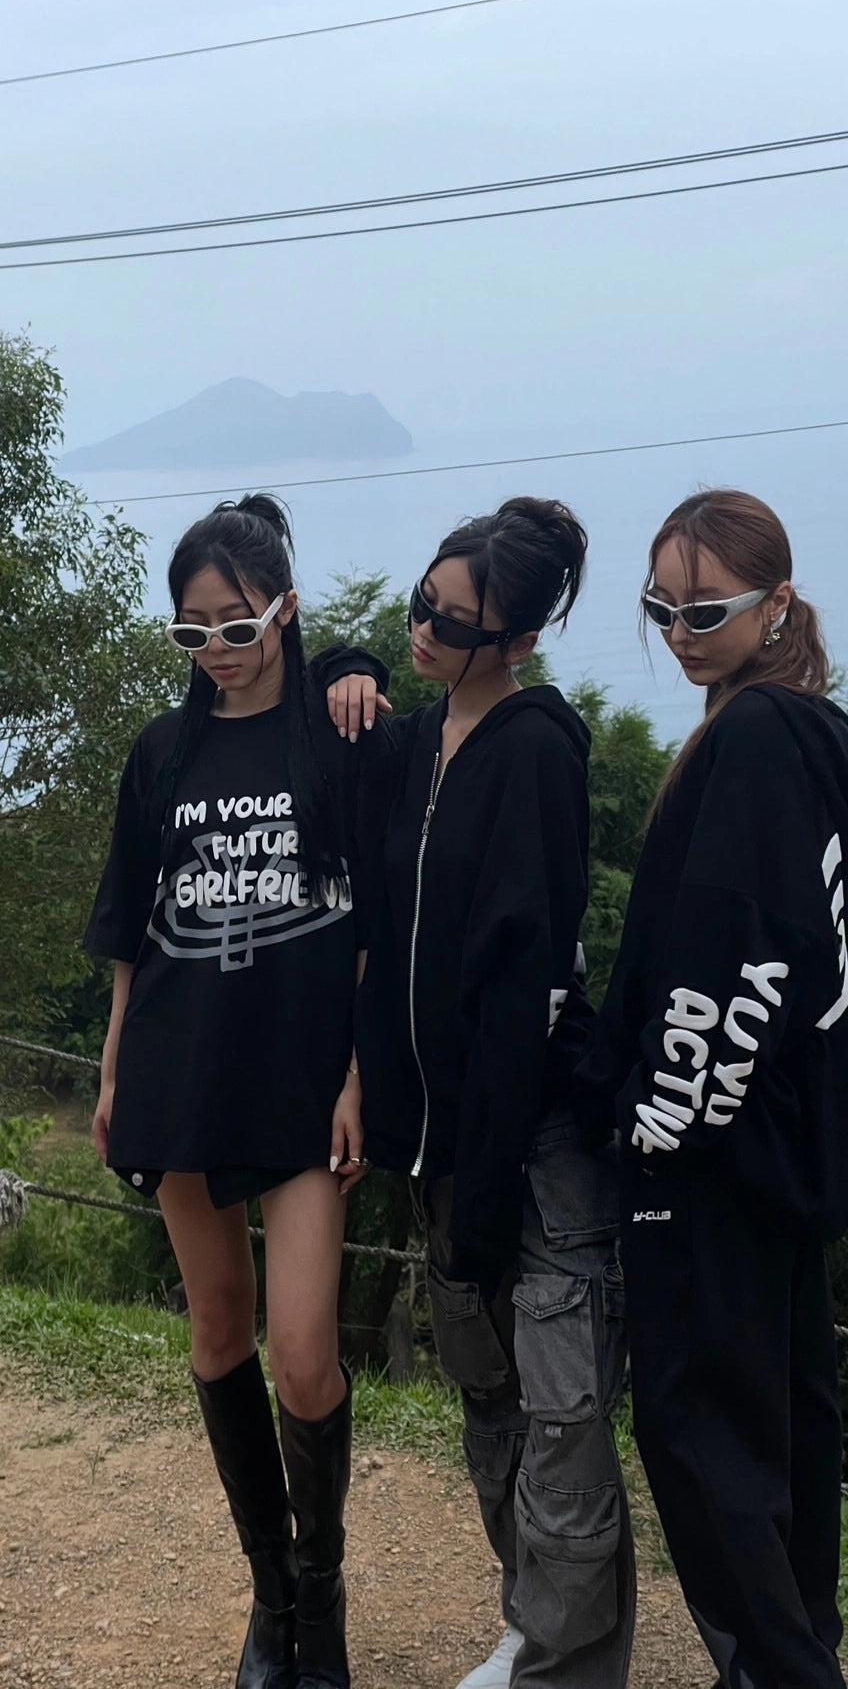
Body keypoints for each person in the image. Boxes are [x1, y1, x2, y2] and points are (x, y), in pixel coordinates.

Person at [575, 489, 848, 1689]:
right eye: (659, 608)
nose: (678, 633)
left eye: (705, 610)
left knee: (700, 1436)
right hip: (780, 1157)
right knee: (782, 1432)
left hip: (710, 1156)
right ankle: (795, 1656)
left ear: (775, 604)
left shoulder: (757, 738)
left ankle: (780, 1669)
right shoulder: (792, 729)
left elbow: (734, 961)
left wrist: (656, 1122)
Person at [328, 497, 636, 1689]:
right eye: (422, 603)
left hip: (531, 1138)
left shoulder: (537, 751)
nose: (425, 630)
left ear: (519, 640)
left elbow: (523, 983)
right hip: (439, 1142)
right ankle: (533, 1623)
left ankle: (567, 1658)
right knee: (490, 1394)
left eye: (453, 625)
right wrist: (345, 663)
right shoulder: (413, 745)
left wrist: (495, 1174)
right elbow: (364, 902)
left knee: (560, 1406)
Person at [85, 495, 390, 1689]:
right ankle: (273, 1603)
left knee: (304, 1355)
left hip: (302, 1083)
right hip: (179, 1070)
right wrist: (116, 1071)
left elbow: (373, 929)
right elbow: (131, 930)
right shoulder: (163, 752)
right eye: (192, 630)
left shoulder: (337, 741)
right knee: (218, 1329)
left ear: (285, 611)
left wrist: (358, 1071)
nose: (216, 648)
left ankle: (325, 1588)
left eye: (238, 624)